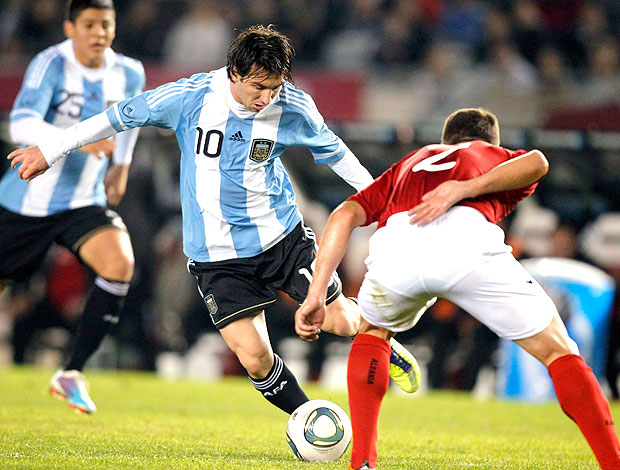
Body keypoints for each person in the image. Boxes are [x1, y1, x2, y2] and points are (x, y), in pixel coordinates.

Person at [7, 25, 419, 416]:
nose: (266, 98)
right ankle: (310, 418)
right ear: (234, 73)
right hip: (216, 256)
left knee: (340, 320)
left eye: (274, 88)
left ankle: (382, 343)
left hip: (280, 239)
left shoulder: (292, 107)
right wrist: (51, 148)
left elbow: (338, 155)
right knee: (255, 358)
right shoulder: (189, 98)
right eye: (258, 87)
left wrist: (383, 204)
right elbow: (118, 117)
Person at [295, 108, 620, 470]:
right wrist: (463, 188)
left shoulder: (409, 164)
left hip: (398, 247)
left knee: (373, 333)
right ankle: (613, 462)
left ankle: (363, 463)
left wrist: (316, 294)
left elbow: (344, 214)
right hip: (467, 243)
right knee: (560, 351)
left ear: (445, 141)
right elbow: (538, 162)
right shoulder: (483, 153)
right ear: (488, 141)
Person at [0, 0, 144, 414]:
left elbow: (129, 120)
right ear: (70, 28)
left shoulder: (129, 72)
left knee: (119, 264)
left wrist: (121, 165)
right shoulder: (51, 64)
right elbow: (21, 123)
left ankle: (71, 374)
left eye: (106, 24)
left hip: (83, 200)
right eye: (89, 24)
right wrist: (80, 138)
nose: (98, 32)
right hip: (28, 201)